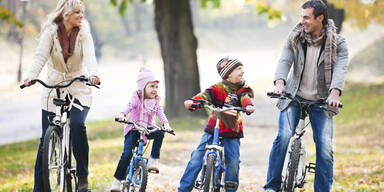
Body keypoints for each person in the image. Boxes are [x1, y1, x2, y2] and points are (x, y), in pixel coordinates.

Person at [263, 1, 348, 192]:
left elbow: (341, 68)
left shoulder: (339, 43)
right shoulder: (295, 37)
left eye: (306, 17)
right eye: (301, 16)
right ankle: (272, 187)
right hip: (294, 96)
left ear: (320, 18)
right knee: (283, 137)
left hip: (322, 100)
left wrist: (335, 92)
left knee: (325, 146)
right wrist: (279, 82)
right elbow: (285, 59)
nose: (302, 21)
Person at [23, 0, 100, 191]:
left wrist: (94, 74)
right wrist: (31, 76)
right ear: (65, 13)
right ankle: (39, 188)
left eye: (82, 12)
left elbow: (90, 55)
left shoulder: (83, 31)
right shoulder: (50, 31)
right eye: (77, 13)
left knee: (77, 125)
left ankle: (82, 178)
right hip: (53, 85)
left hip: (78, 85)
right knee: (45, 140)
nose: (81, 16)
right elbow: (40, 56)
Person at [179, 57, 255, 192]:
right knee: (197, 156)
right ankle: (184, 189)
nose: (242, 72)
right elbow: (204, 96)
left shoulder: (242, 89)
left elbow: (245, 98)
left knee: (233, 160)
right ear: (229, 74)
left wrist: (248, 106)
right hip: (212, 129)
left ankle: (230, 188)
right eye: (239, 69)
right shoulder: (217, 88)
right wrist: (192, 101)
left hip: (232, 131)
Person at [110, 67, 173, 192]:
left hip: (147, 128)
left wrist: (166, 124)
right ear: (143, 87)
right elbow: (128, 107)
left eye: (156, 87)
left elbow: (160, 113)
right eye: (152, 86)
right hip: (133, 128)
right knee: (127, 154)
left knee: (160, 133)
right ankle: (117, 182)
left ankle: (153, 160)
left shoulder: (155, 101)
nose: (155, 90)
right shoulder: (136, 98)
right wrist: (122, 114)